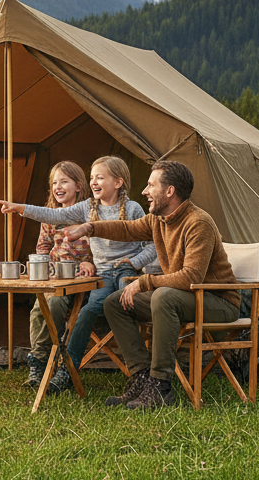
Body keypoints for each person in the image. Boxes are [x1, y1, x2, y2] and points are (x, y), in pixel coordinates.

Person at [62, 160, 239, 410]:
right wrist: (89, 227)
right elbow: (127, 229)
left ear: (170, 191)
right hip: (185, 298)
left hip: (218, 302)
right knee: (115, 303)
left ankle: (160, 386)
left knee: (163, 296)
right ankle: (141, 376)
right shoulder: (159, 220)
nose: (144, 191)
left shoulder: (198, 222)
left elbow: (191, 277)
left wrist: (144, 282)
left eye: (150, 185)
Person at [0, 155, 156, 394]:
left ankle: (144, 372)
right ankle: (67, 370)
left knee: (129, 307)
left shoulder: (133, 209)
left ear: (118, 182)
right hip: (102, 275)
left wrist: (134, 262)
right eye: (92, 178)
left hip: (127, 272)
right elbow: (55, 216)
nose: (94, 182)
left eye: (100, 178)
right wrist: (20, 208)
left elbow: (152, 245)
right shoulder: (88, 207)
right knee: (87, 312)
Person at [20, 161, 94, 390]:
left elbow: (103, 248)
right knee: (37, 309)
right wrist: (45, 266)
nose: (57, 187)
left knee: (54, 303)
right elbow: (43, 247)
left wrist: (90, 262)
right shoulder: (50, 216)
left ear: (79, 186)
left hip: (82, 280)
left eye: (64, 181)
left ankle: (51, 356)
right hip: (55, 276)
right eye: (54, 183)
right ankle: (39, 361)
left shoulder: (90, 214)